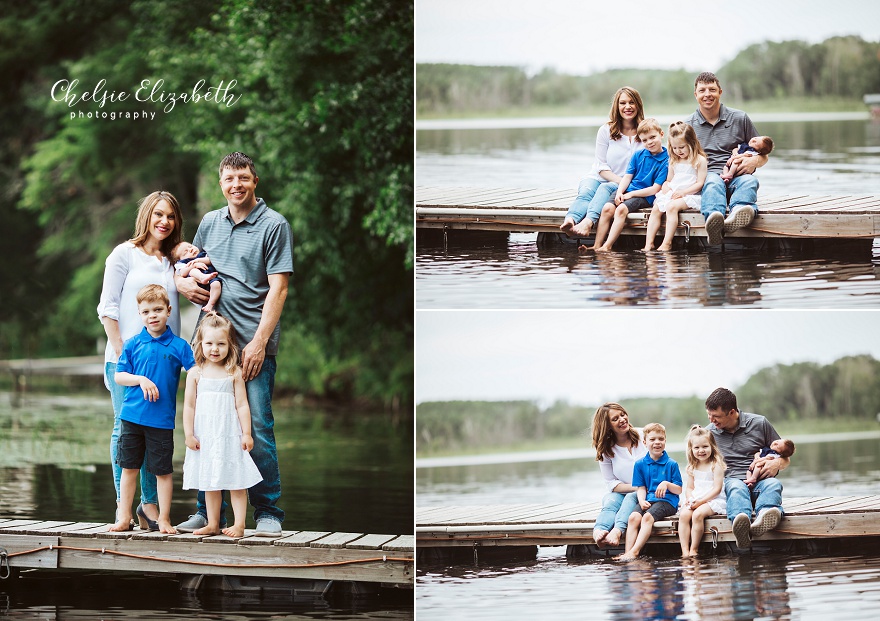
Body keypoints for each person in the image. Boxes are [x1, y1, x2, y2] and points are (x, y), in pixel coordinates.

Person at [175, 152, 294, 537]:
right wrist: (182, 283)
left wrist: (259, 343)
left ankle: (268, 512)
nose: (236, 185)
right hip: (209, 344)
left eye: (243, 177)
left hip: (252, 345)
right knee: (206, 426)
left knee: (255, 427)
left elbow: (279, 288)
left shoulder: (274, 225)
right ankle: (208, 516)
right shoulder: (210, 222)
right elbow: (187, 265)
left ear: (254, 180)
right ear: (221, 183)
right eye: (229, 179)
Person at [97, 190, 184, 530]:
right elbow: (108, 307)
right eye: (158, 214)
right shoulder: (124, 254)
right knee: (127, 429)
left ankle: (149, 507)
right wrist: (121, 353)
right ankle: (123, 510)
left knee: (157, 431)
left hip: (165, 366)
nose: (164, 222)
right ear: (146, 215)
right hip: (126, 361)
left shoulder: (173, 261)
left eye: (171, 216)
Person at [110, 285, 196, 533]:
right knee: (129, 468)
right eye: (146, 311)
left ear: (169, 311)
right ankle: (124, 517)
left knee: (163, 471)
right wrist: (140, 379)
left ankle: (165, 519)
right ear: (139, 314)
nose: (152, 315)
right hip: (132, 418)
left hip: (162, 421)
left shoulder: (179, 346)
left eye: (158, 309)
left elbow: (196, 373)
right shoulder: (133, 344)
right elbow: (119, 377)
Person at [182, 312, 262, 537]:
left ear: (230, 345)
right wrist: (189, 434)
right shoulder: (195, 374)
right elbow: (189, 406)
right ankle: (213, 523)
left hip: (229, 434)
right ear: (200, 343)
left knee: (236, 478)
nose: (214, 349)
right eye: (209, 343)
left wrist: (246, 433)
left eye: (220, 344)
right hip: (205, 435)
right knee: (210, 480)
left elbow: (242, 405)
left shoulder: (233, 372)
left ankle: (239, 524)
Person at [686, 72, 769, 245]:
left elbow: (763, 154)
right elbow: (677, 159)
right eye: (702, 90)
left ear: (720, 92)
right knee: (713, 182)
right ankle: (713, 220)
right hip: (708, 178)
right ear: (696, 95)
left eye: (712, 89)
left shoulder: (740, 118)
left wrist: (755, 161)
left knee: (749, 182)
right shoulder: (688, 126)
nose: (707, 94)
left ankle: (739, 212)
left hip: (737, 176)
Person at [705, 387, 790, 549]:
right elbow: (697, 464)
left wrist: (777, 463)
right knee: (736, 487)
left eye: (716, 416)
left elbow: (785, 457)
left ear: (731, 412)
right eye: (709, 415)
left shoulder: (760, 423)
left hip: (761, 482)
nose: (711, 420)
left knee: (774, 484)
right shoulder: (709, 433)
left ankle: (765, 514)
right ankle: (741, 522)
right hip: (732, 482)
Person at [560, 87, 645, 237]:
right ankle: (570, 220)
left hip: (620, 183)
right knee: (586, 193)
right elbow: (600, 166)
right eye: (623, 103)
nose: (627, 107)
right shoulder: (606, 130)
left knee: (604, 190)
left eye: (632, 102)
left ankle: (588, 222)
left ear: (638, 105)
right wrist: (621, 181)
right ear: (616, 106)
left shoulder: (645, 131)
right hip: (599, 176)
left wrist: (624, 183)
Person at [591, 118, 669, 252]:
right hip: (628, 190)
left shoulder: (667, 160)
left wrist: (630, 194)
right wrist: (621, 191)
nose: (649, 142)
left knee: (621, 210)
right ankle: (597, 245)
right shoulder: (638, 155)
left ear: (661, 134)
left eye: (652, 137)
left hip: (645, 196)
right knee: (607, 208)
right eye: (644, 140)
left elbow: (655, 189)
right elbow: (627, 177)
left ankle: (607, 246)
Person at [618, 423, 682, 561]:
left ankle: (635, 552)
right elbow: (641, 488)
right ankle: (627, 552)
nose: (657, 442)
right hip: (649, 499)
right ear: (645, 442)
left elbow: (679, 490)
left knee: (647, 518)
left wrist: (666, 484)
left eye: (661, 439)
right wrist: (641, 500)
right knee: (633, 518)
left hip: (668, 502)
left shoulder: (671, 464)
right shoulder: (640, 464)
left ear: (665, 441)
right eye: (652, 439)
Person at [643, 122, 708, 252]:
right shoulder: (674, 160)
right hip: (674, 192)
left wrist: (684, 192)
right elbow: (669, 180)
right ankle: (649, 243)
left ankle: (667, 243)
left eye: (682, 147)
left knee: (671, 207)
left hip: (691, 194)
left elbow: (700, 183)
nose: (678, 151)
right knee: (656, 208)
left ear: (692, 143)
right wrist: (666, 185)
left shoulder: (699, 160)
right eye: (674, 148)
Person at [590, 403, 648, 548]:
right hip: (623, 491)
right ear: (607, 426)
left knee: (630, 498)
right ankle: (599, 530)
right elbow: (611, 483)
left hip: (647, 490)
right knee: (610, 501)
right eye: (615, 419)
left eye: (622, 414)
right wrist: (635, 487)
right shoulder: (606, 450)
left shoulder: (644, 436)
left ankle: (617, 531)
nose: (622, 419)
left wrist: (641, 488)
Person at [678, 425, 727, 557]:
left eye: (705, 446)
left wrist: (700, 502)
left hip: (712, 499)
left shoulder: (716, 465)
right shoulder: (693, 466)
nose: (701, 450)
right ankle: (685, 551)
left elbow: (717, 489)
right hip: (696, 498)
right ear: (691, 449)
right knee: (683, 515)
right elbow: (689, 488)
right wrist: (689, 498)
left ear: (712, 446)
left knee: (697, 515)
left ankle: (694, 548)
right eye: (697, 447)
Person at [172, 241, 222, 312]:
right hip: (199, 282)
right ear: (181, 259)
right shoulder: (183, 263)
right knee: (193, 271)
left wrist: (199, 260)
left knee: (216, 284)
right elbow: (182, 273)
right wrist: (194, 265)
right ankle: (202, 277)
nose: (191, 249)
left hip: (211, 277)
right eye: (186, 252)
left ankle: (211, 303)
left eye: (190, 246)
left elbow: (210, 260)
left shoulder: (203, 254)